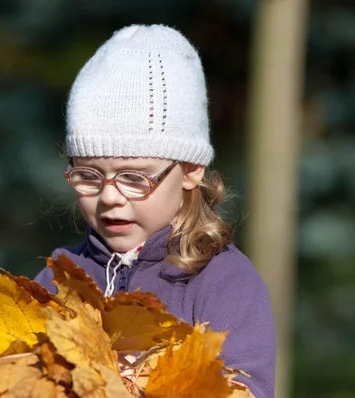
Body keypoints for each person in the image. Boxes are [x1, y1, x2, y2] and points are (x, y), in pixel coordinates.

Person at [34, 24, 276, 397]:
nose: (110, 197)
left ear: (190, 171)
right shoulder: (59, 280)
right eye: (89, 175)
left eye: (134, 177)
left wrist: (144, 377)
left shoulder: (224, 283)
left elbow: (248, 389)